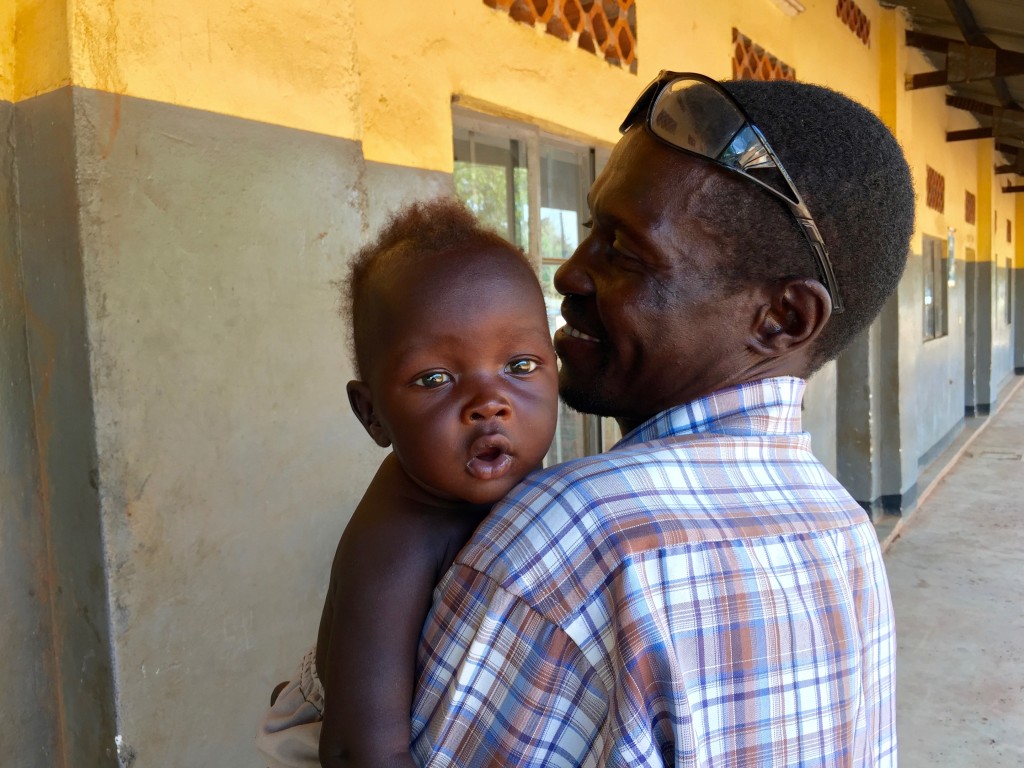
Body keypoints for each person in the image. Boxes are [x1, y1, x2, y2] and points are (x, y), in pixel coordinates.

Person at [409, 73, 914, 765]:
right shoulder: (844, 527)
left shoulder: (576, 535)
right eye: (592, 230)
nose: (569, 274)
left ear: (782, 319)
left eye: (623, 251)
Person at [256, 197, 560, 768]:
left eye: (519, 366)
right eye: (435, 378)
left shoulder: (528, 482)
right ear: (371, 414)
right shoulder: (396, 542)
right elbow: (359, 751)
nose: (489, 404)